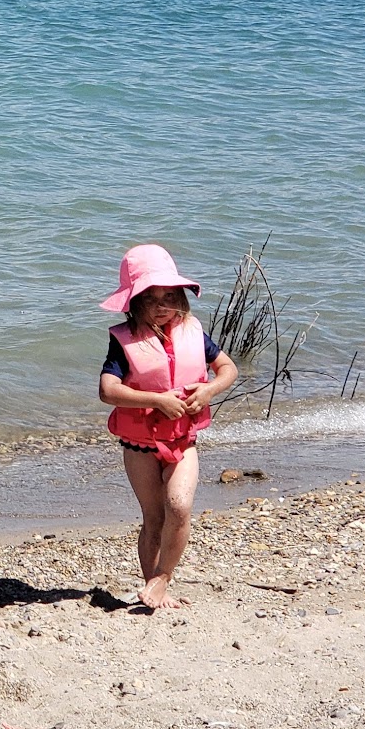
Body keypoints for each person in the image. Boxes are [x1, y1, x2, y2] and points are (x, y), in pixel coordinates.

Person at [97, 243, 238, 611]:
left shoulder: (193, 333)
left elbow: (229, 370)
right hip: (139, 444)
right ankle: (153, 588)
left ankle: (162, 578)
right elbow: (108, 390)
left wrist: (208, 390)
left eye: (169, 296)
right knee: (153, 517)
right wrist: (157, 400)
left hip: (183, 440)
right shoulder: (123, 341)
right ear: (134, 302)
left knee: (178, 505)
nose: (162, 305)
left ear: (181, 297)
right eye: (151, 298)